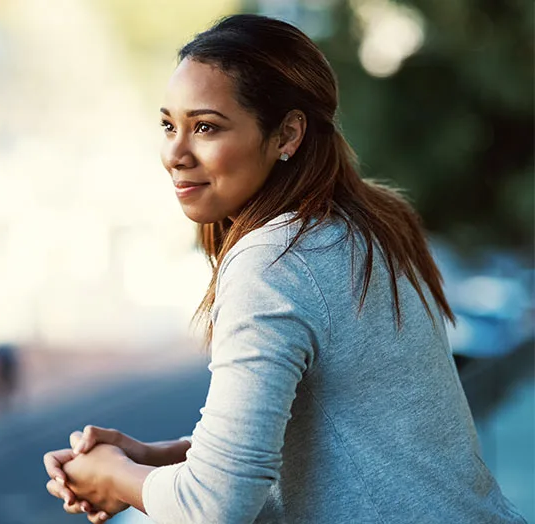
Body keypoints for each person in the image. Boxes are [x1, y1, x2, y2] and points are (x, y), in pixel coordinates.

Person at [42, 14, 526, 524]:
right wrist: (157, 459)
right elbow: (339, 440)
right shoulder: (365, 225)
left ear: (287, 134)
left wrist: (113, 476)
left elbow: (212, 508)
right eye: (169, 125)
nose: (175, 154)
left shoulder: (274, 263)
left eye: (205, 127)